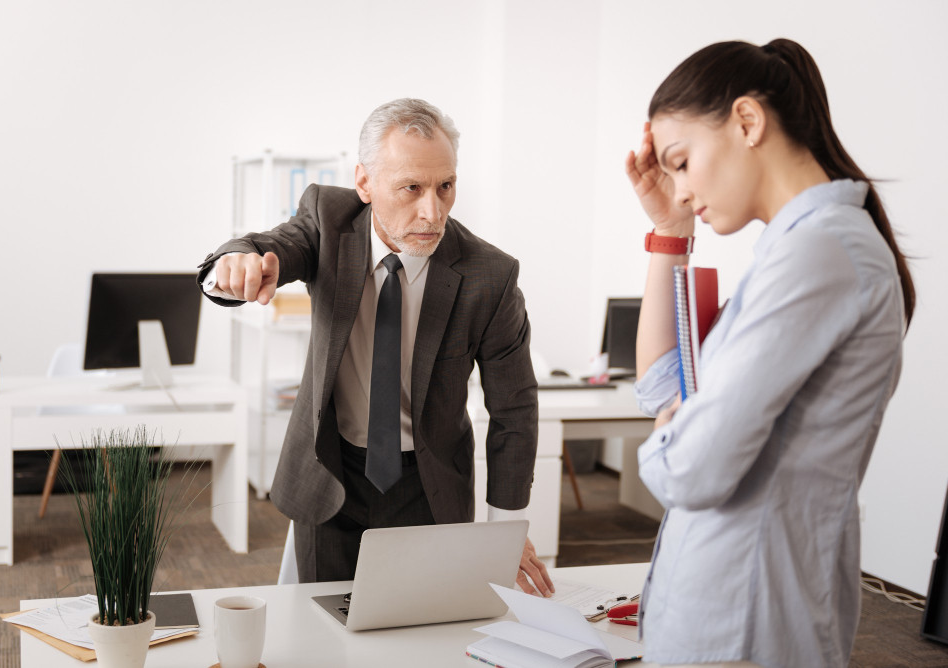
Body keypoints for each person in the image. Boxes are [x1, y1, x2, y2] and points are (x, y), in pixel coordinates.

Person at [624, 39, 914, 667]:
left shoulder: (821, 253)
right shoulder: (795, 252)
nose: (679, 188)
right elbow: (662, 387)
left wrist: (678, 429)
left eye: (681, 161)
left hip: (746, 622)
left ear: (748, 121)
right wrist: (671, 234)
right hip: (724, 606)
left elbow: (690, 469)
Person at [198, 98, 553, 596]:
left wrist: (506, 530)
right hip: (332, 478)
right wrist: (237, 262)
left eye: (445, 187)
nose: (432, 211)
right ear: (364, 183)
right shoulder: (328, 219)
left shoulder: (489, 275)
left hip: (428, 485)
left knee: (423, 634)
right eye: (411, 188)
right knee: (323, 636)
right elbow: (271, 245)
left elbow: (514, 410)